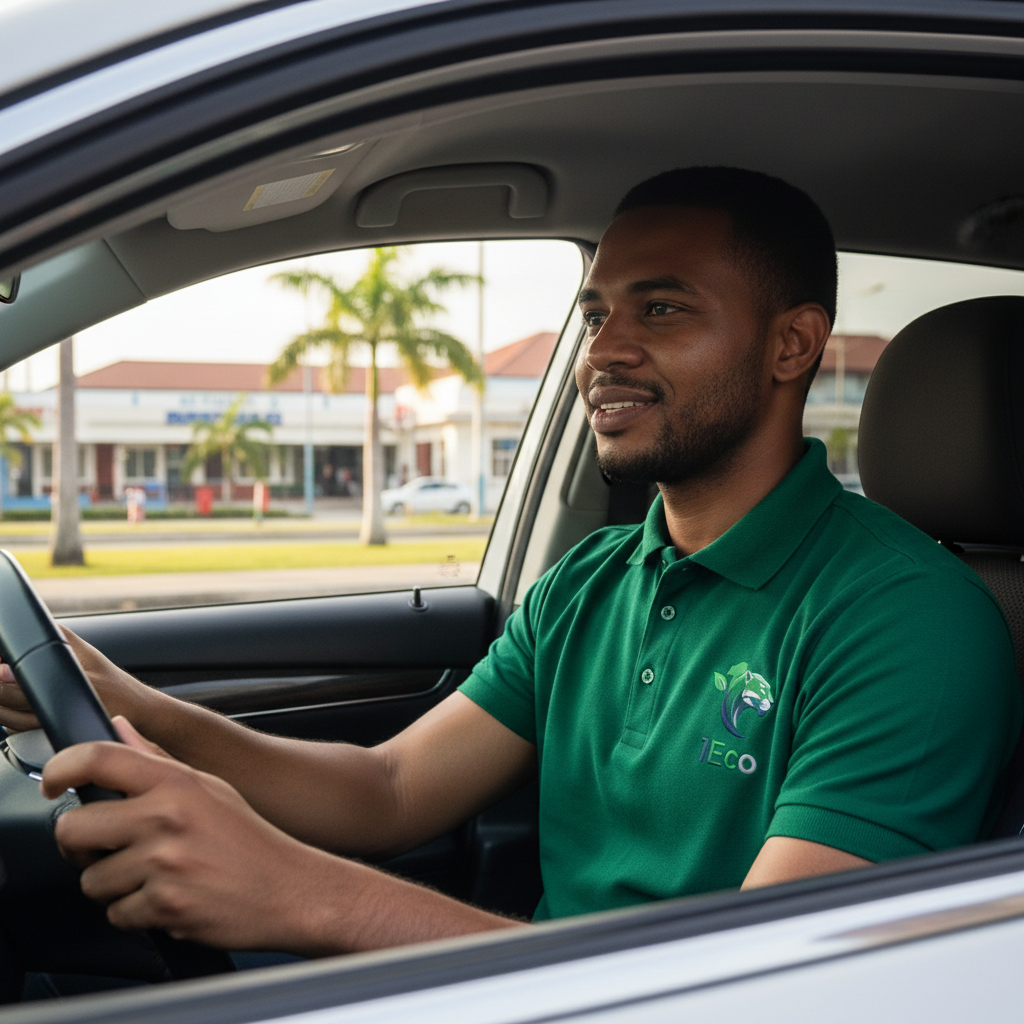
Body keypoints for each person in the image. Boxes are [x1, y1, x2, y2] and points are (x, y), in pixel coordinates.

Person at [0, 167, 1020, 957]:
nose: (603, 349)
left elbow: (769, 978)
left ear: (792, 346)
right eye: (593, 312)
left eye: (660, 310)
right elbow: (391, 786)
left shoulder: (904, 617)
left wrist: (298, 892)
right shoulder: (592, 578)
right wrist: (130, 700)